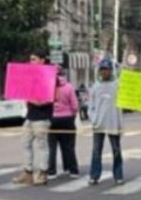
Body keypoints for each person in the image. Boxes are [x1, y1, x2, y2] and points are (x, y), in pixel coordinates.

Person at [12, 52, 54, 186]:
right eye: (30, 59)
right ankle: (28, 172)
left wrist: (28, 97)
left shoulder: (49, 76)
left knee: (42, 145)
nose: (31, 62)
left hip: (42, 117)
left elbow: (46, 100)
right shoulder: (31, 77)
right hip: (30, 116)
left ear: (42, 60)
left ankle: (43, 173)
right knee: (25, 143)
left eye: (34, 59)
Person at [88, 58, 124, 186]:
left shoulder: (117, 85)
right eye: (102, 70)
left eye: (107, 69)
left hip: (114, 123)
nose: (104, 72)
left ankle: (118, 175)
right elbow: (90, 106)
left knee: (116, 150)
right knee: (96, 151)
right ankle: (94, 175)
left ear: (111, 71)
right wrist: (93, 119)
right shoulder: (95, 87)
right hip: (99, 125)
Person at [48, 71, 80, 177]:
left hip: (52, 118)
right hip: (67, 118)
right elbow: (75, 105)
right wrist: (72, 116)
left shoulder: (49, 86)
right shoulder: (69, 87)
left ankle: (51, 171)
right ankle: (72, 169)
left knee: (51, 147)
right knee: (68, 146)